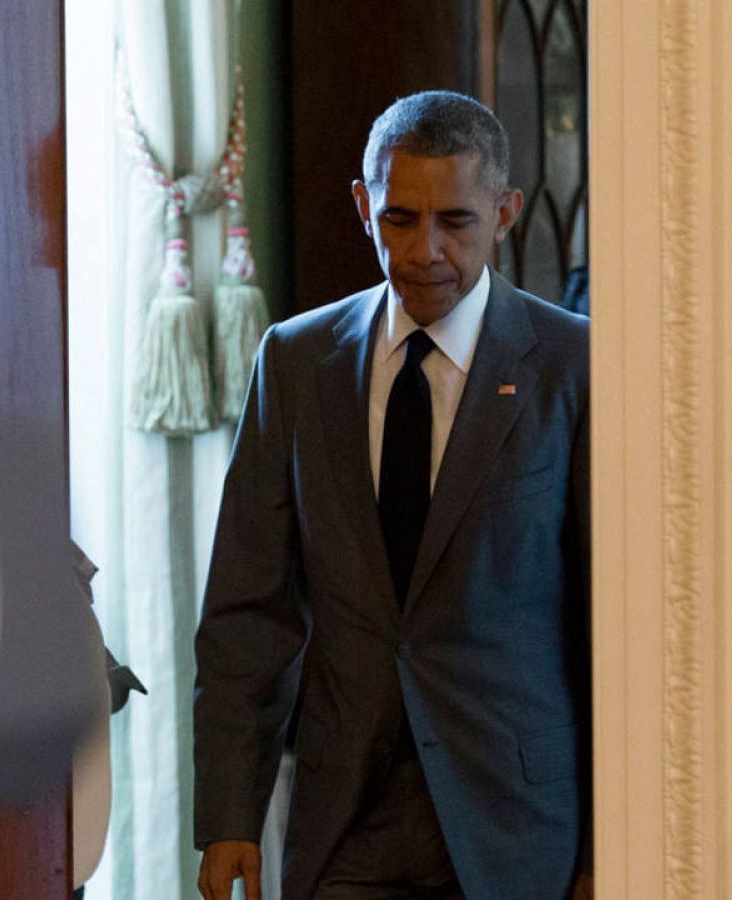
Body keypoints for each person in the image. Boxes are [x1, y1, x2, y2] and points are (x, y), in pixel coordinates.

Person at [194, 91, 591, 900]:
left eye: (457, 222)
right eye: (399, 219)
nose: (426, 251)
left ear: (506, 213)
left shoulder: (573, 364)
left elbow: (605, 629)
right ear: (361, 206)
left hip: (515, 827)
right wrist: (230, 813)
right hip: (346, 819)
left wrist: (605, 846)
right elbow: (248, 609)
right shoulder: (296, 362)